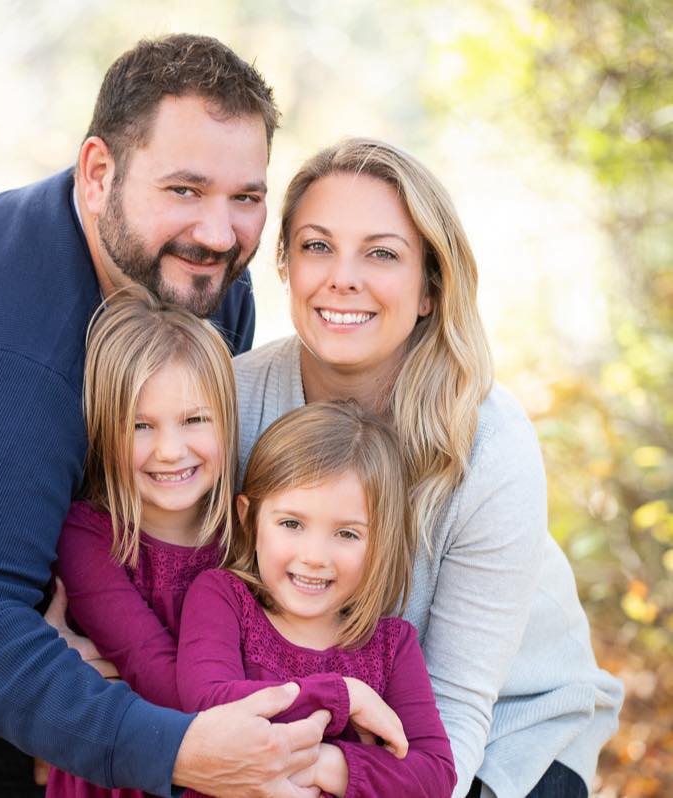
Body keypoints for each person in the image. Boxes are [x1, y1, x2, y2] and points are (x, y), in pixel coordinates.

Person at [0, 33, 329, 798]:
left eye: (245, 197)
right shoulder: (4, 356)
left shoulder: (193, 282)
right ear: (97, 174)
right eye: (184, 190)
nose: (219, 234)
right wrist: (177, 749)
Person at [233, 138, 624, 797]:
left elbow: (458, 706)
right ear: (285, 265)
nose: (342, 278)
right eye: (317, 246)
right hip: (319, 720)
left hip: (500, 726)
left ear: (427, 289)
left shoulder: (488, 442)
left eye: (381, 253)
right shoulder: (234, 401)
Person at [178, 401, 457, 798]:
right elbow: (209, 702)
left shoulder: (391, 647)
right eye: (291, 523)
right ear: (249, 517)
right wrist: (343, 697)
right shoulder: (223, 599)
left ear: (381, 543)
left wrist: (327, 764)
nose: (313, 556)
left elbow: (434, 775)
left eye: (346, 534)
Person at [45, 286, 239, 798]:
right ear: (106, 432)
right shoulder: (91, 537)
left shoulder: (246, 529)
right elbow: (152, 671)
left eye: (194, 420)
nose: (170, 451)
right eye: (141, 426)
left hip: (233, 766)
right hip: (126, 773)